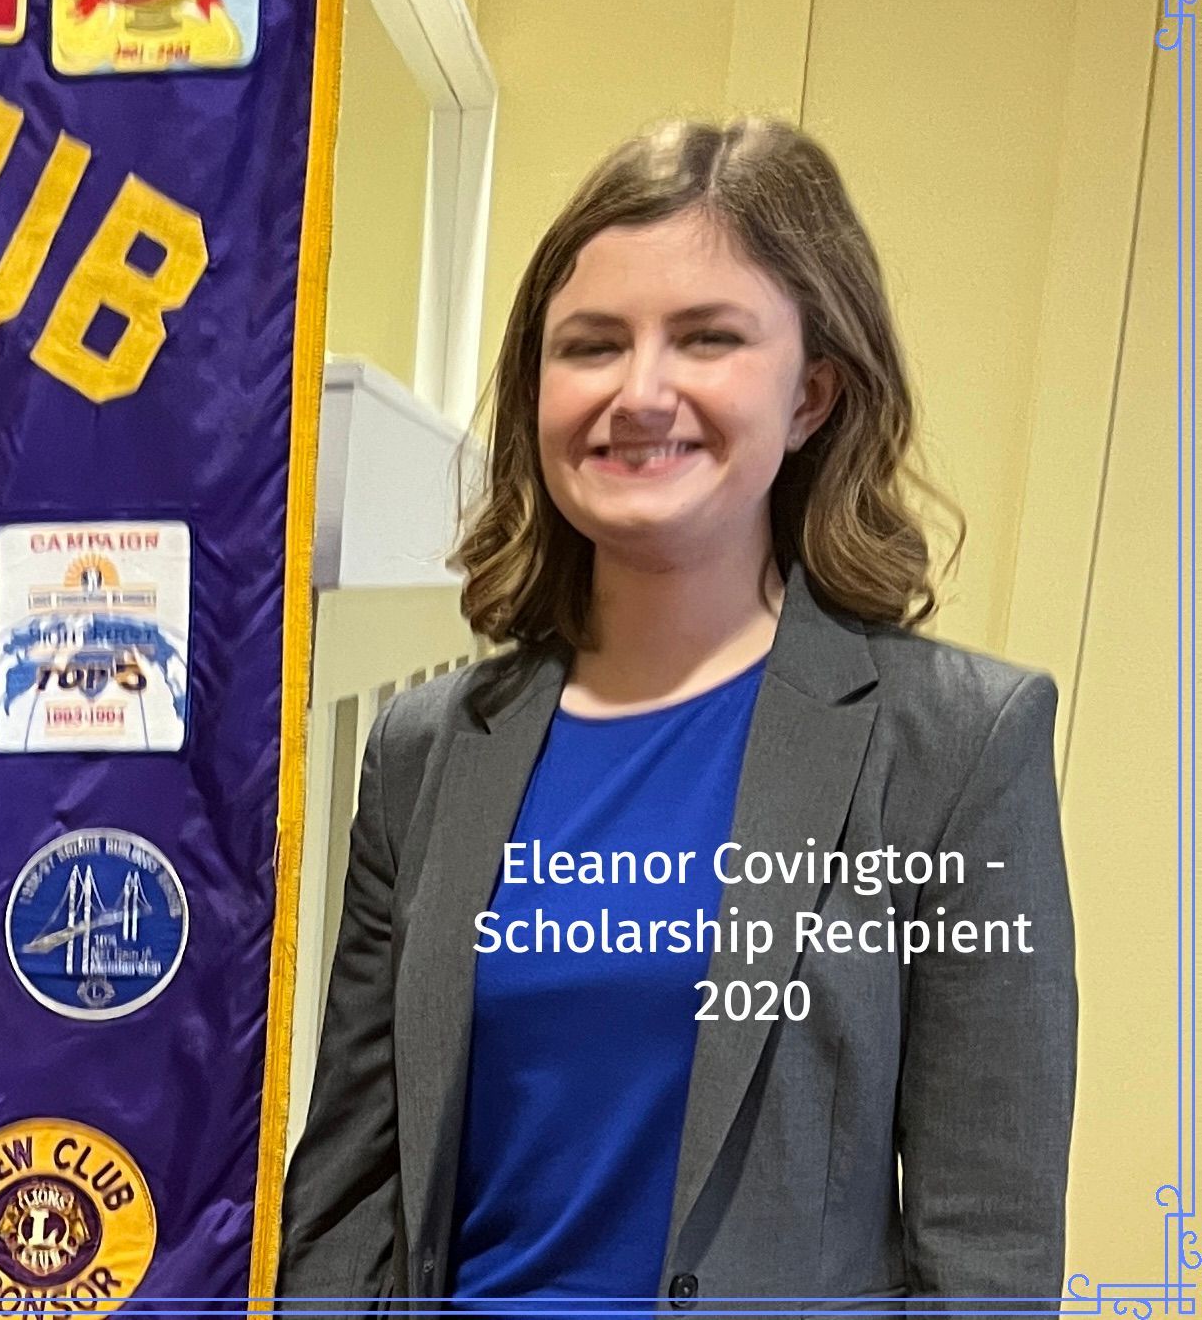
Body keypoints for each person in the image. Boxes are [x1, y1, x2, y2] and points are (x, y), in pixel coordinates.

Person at [276, 115, 1078, 1307]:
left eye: (707, 339)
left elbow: (989, 1257)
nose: (639, 392)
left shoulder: (960, 744)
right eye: (591, 345)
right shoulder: (422, 751)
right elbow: (344, 1199)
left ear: (813, 393)